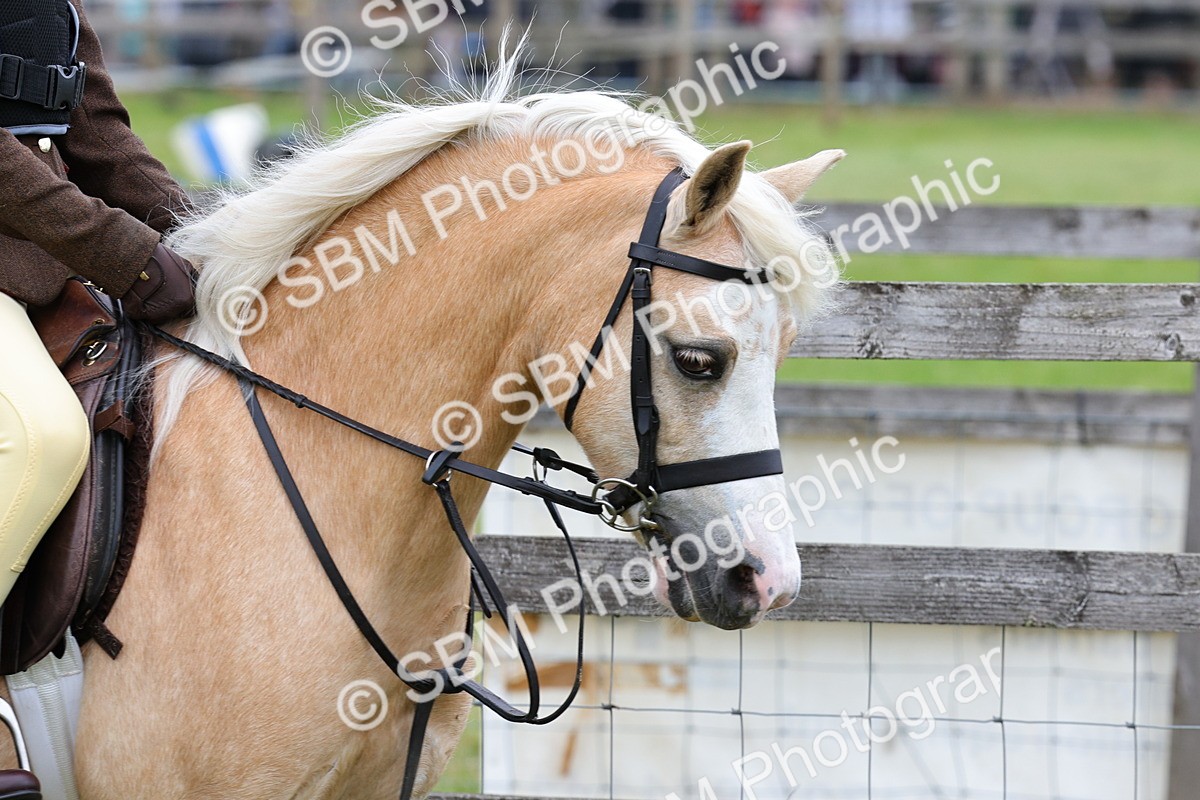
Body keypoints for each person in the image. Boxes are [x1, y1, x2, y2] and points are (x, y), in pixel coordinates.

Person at [1, 1, 197, 794]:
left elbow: (102, 140)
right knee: (40, 435)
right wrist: (128, 254)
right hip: (33, 265)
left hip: (39, 268)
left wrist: (223, 240)